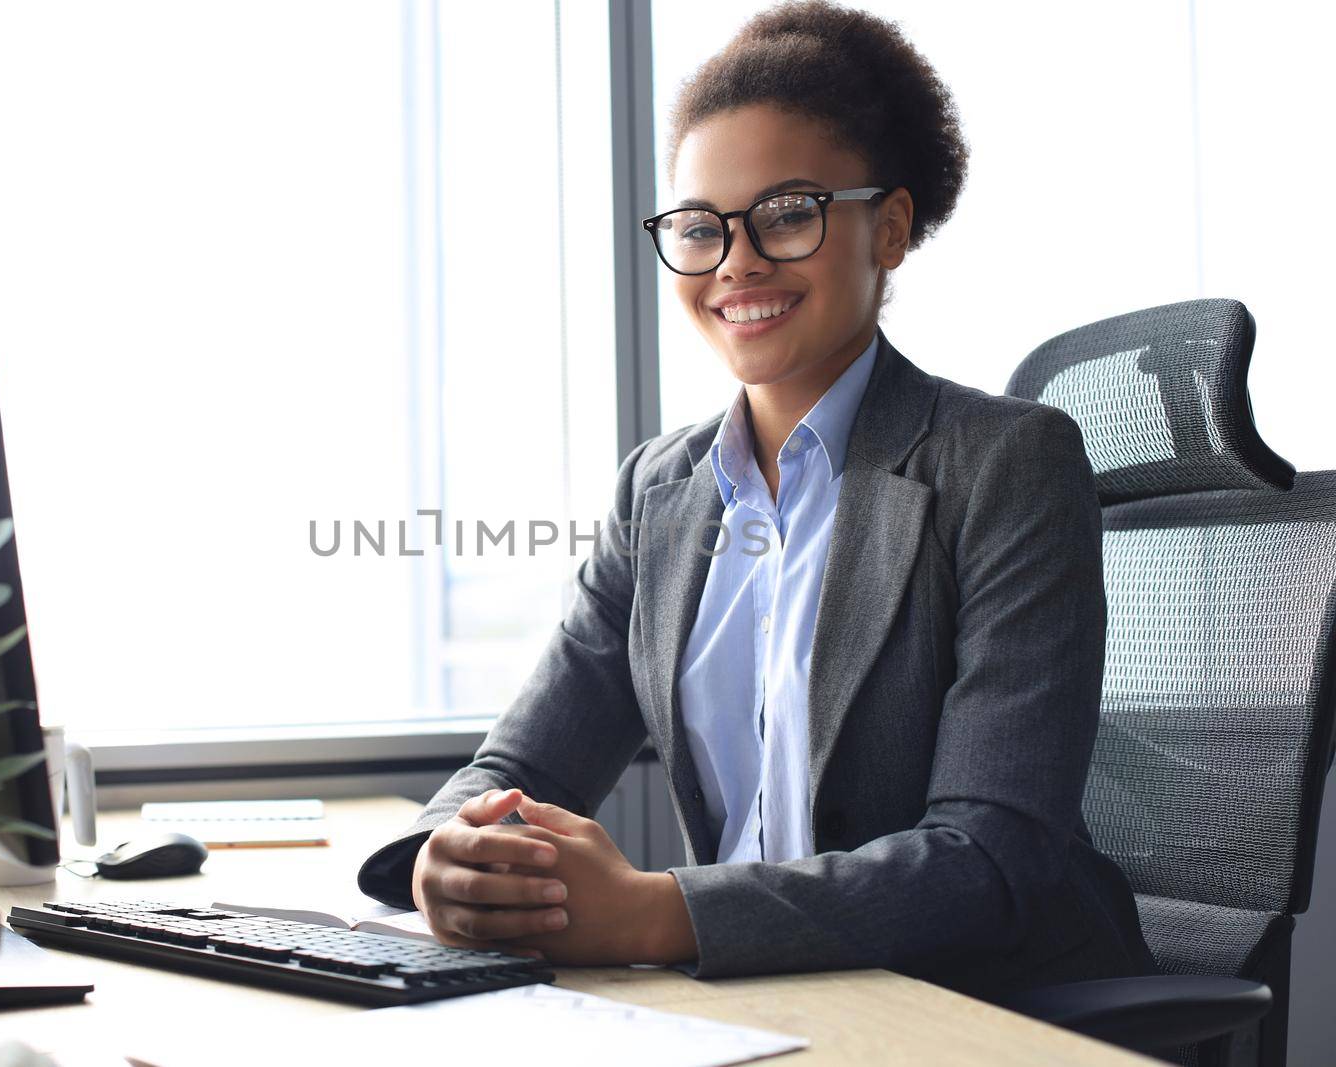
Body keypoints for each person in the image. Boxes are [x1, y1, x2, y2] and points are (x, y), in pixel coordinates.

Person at [356, 0, 1156, 1000]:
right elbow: (520, 766)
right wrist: (448, 851)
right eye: (699, 226)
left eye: (786, 213)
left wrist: (657, 909)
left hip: (979, 1002)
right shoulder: (659, 490)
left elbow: (992, 856)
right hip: (751, 993)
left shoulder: (1007, 464)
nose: (735, 260)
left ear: (890, 226)